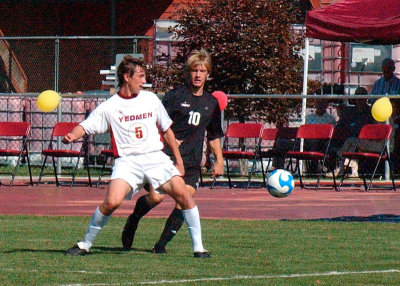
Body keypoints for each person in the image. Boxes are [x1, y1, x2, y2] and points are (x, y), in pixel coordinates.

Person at [64, 55, 210, 258]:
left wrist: (178, 160)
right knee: (112, 202)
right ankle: (84, 244)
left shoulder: (150, 99)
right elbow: (86, 126)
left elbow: (167, 130)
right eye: (140, 76)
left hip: (155, 158)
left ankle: (199, 249)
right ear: (126, 77)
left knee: (184, 195)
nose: (144, 81)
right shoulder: (110, 106)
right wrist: (72, 135)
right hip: (127, 162)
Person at [121, 49, 224, 254]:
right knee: (156, 198)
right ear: (189, 72)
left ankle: (160, 246)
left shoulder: (211, 103)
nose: (198, 75)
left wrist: (219, 160)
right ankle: (134, 218)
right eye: (194, 70)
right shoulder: (175, 96)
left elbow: (213, 135)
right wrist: (165, 139)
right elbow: (153, 121)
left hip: (192, 162)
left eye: (202, 71)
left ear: (208, 74)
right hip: (167, 159)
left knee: (185, 199)